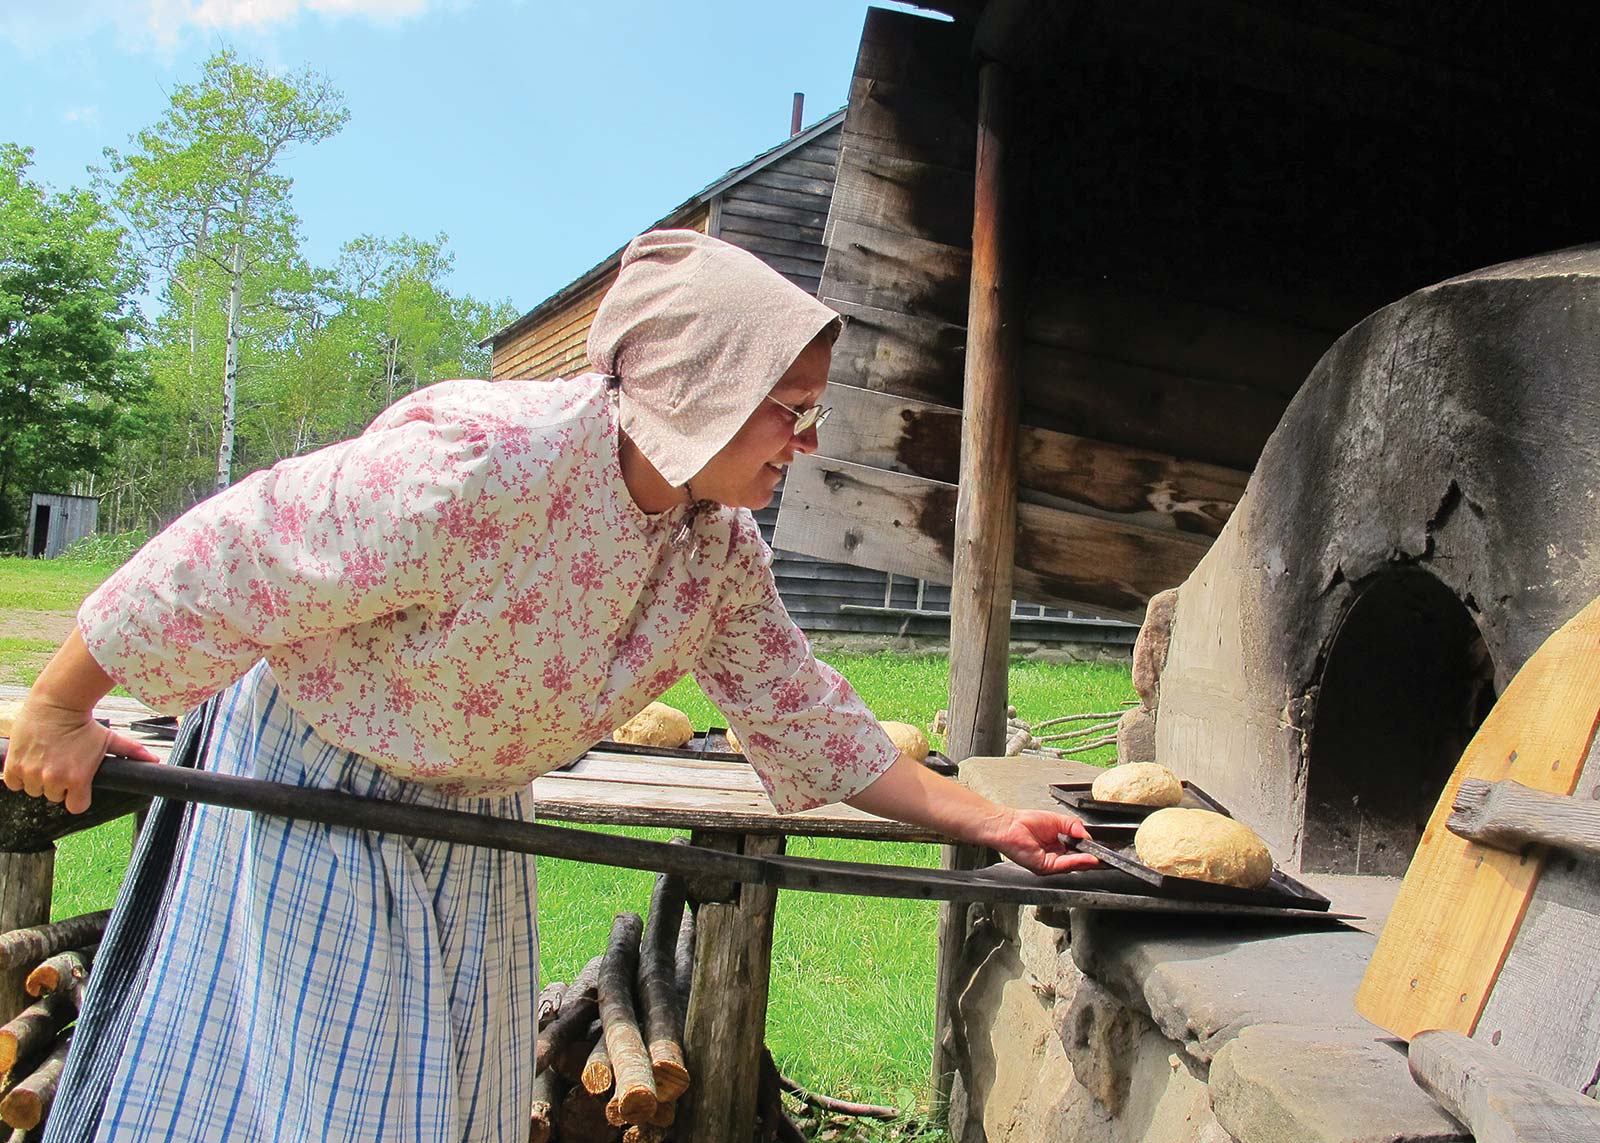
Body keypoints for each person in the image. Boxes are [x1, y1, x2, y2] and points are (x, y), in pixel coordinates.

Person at [5, 230, 1095, 1143]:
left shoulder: (714, 551)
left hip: (475, 816)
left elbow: (806, 716)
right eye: (789, 409)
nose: (806, 443)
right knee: (343, 1113)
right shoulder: (485, 464)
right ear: (695, 389)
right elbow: (235, 552)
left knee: (453, 1110)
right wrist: (60, 706)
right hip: (324, 789)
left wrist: (993, 822)